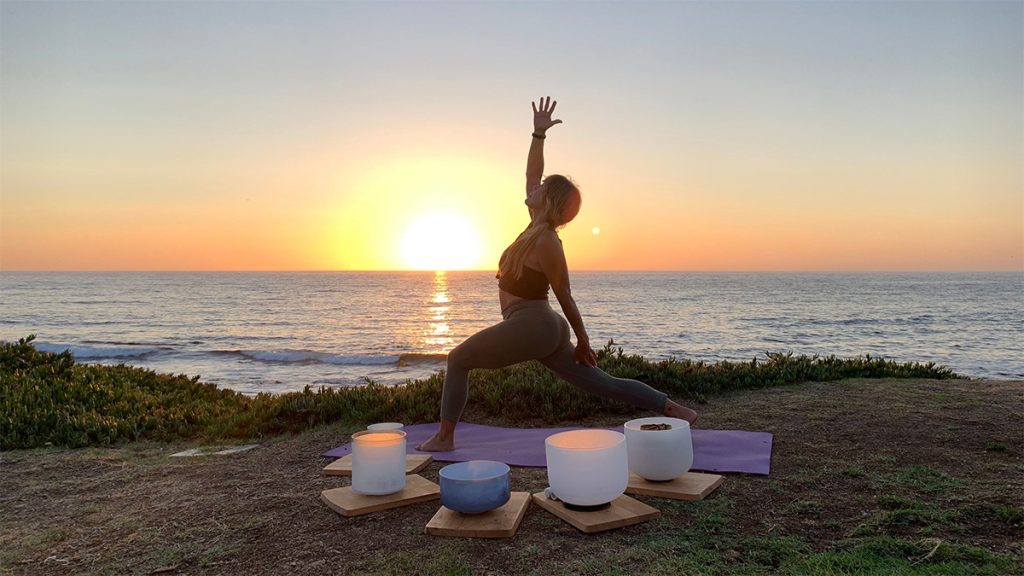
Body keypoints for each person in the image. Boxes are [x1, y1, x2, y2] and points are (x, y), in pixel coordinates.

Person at [416, 96, 698, 452]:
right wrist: (538, 135)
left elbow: (564, 293)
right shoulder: (534, 226)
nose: (533, 188)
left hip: (533, 324)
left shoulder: (548, 241)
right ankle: (674, 409)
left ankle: (444, 438)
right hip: (539, 327)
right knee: (601, 383)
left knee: (458, 359)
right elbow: (531, 173)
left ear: (548, 200)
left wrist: (584, 341)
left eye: (542, 188)